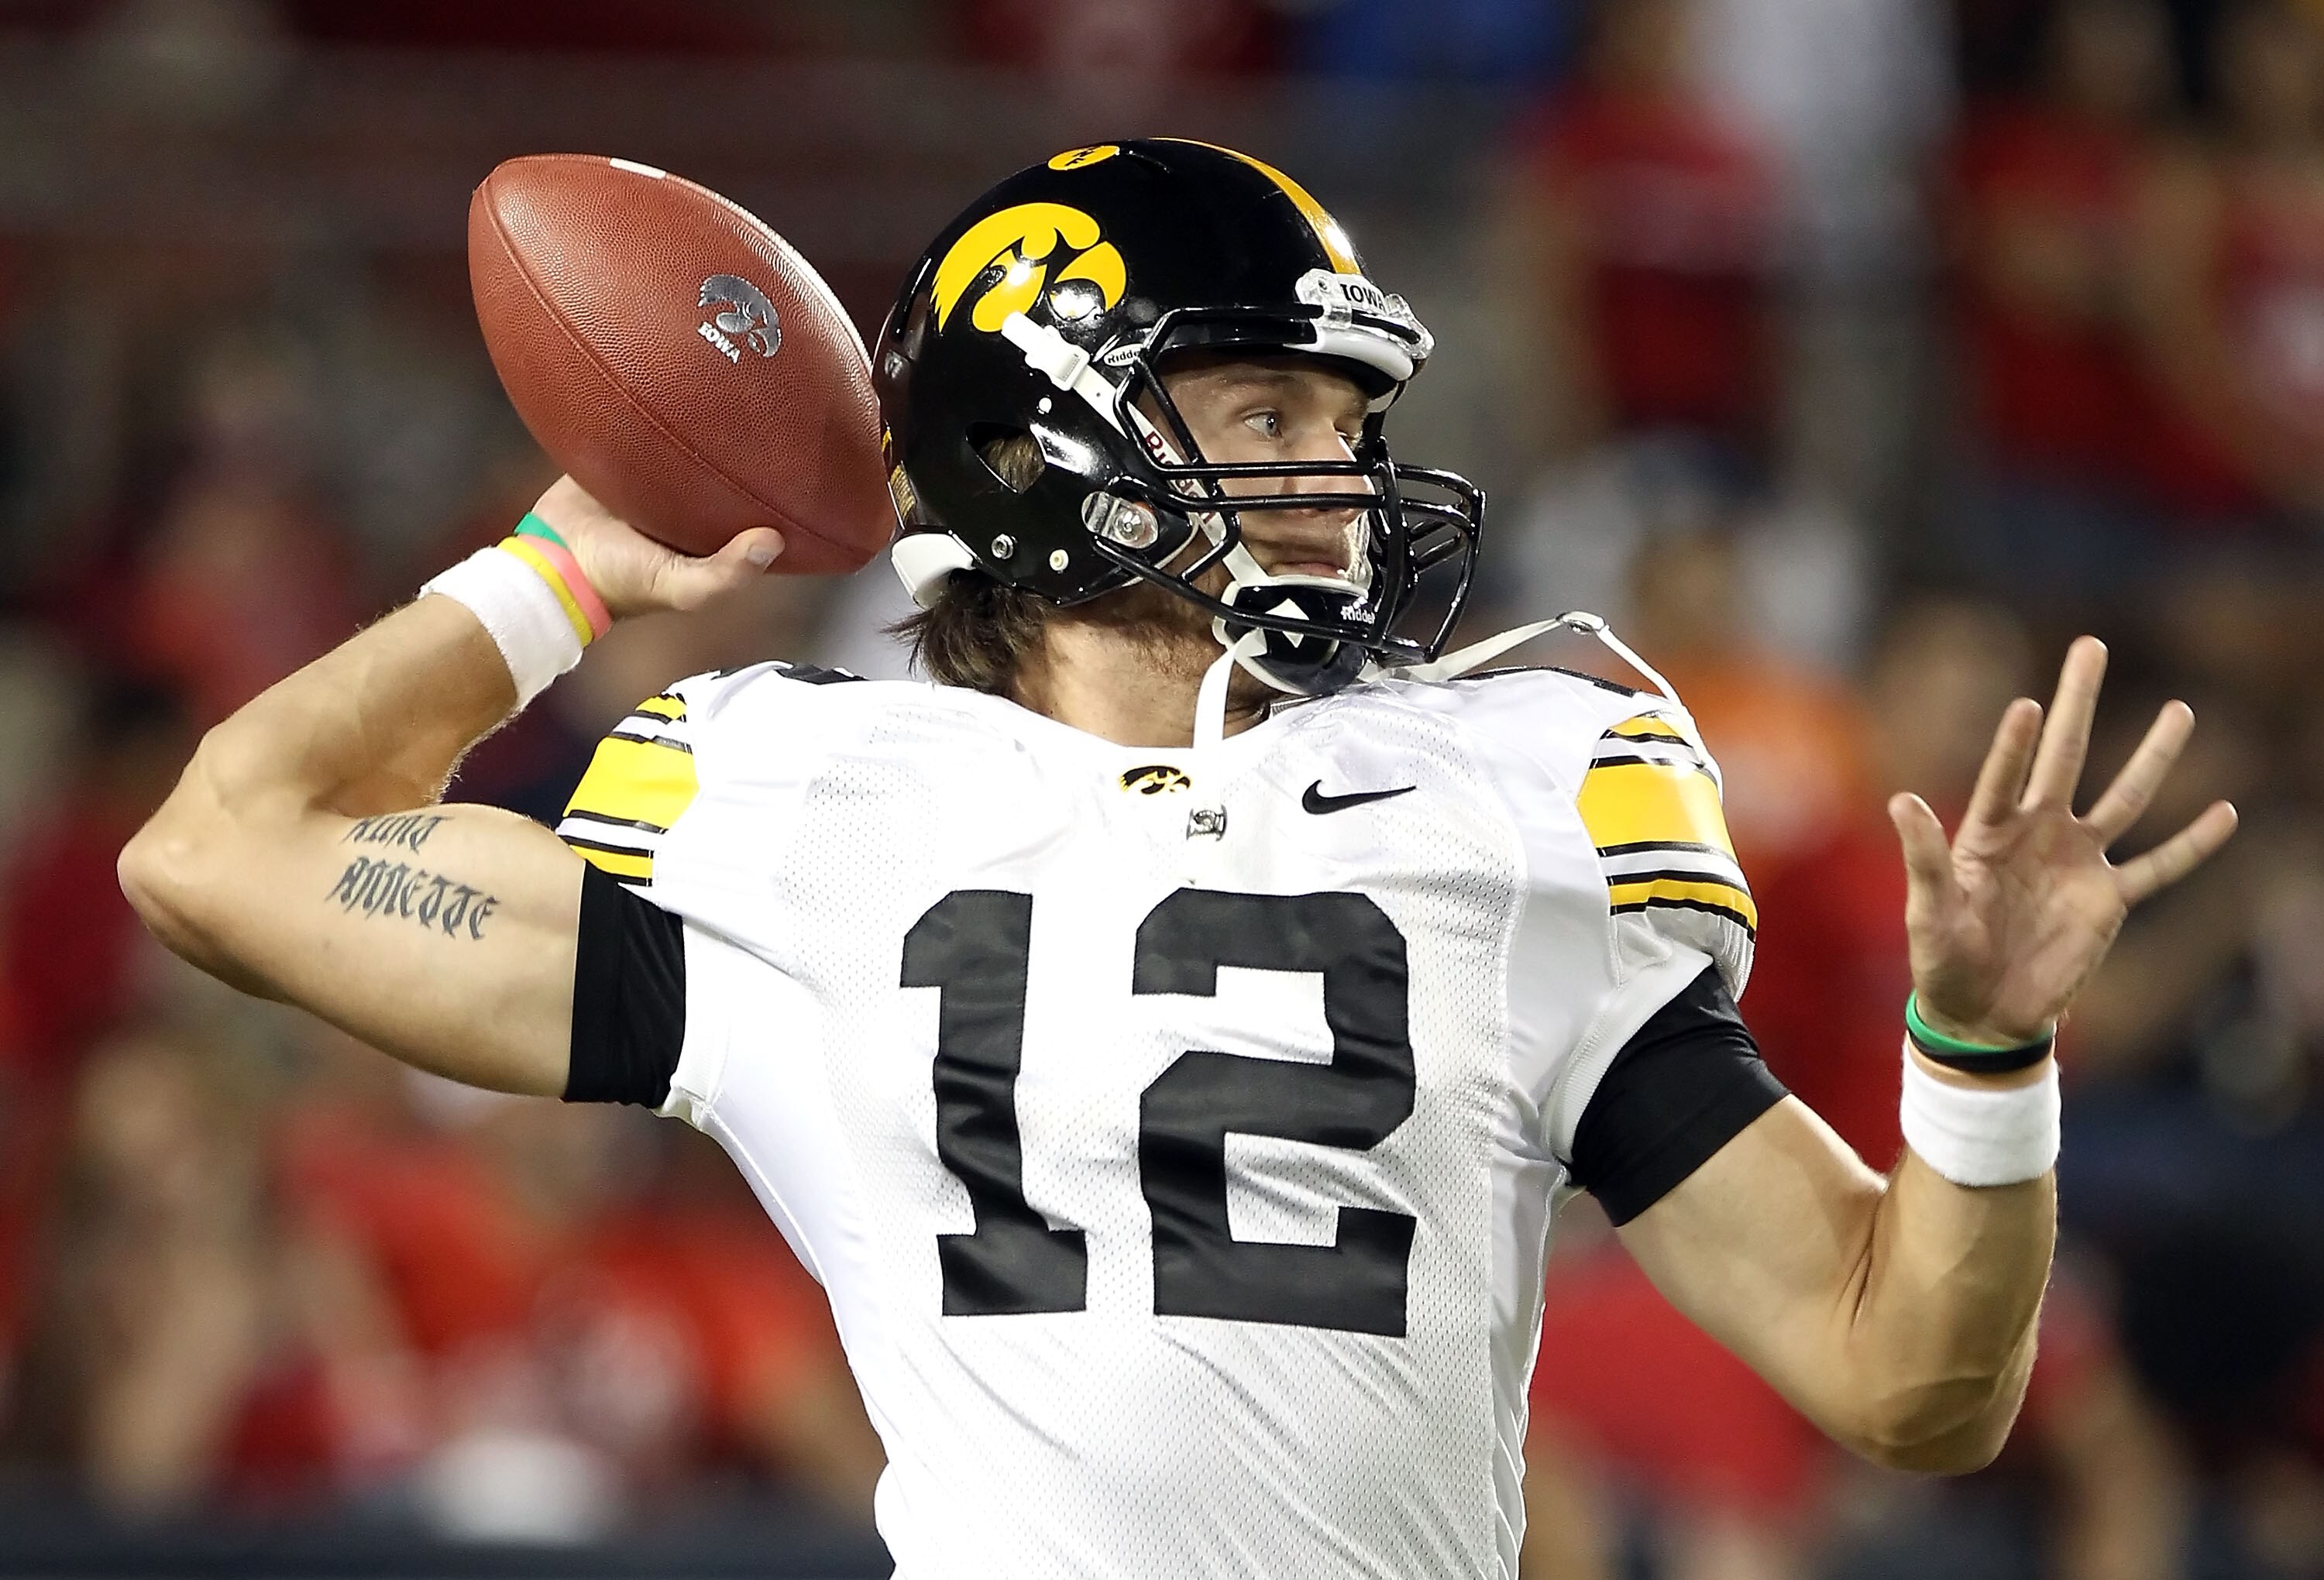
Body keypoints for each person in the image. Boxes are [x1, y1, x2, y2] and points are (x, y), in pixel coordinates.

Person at [117, 139, 2236, 1576]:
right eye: (1255, 419)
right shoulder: (793, 809)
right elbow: (223, 850)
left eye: (1341, 425)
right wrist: (560, 573)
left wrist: (1975, 1051)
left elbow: (1913, 1379)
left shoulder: (1513, 784)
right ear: (1035, 449)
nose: (1329, 481)